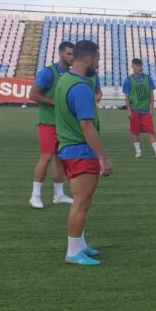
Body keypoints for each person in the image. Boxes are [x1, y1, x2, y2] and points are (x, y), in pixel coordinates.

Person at [54, 40, 113, 266]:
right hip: (80, 150)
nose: (97, 64)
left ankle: (80, 245)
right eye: (97, 59)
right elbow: (86, 125)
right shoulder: (80, 87)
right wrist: (102, 157)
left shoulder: (64, 80)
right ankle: (72, 251)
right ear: (88, 59)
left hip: (69, 148)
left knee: (84, 201)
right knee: (81, 201)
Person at [27, 41, 76, 209]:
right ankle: (35, 195)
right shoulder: (48, 72)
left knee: (61, 159)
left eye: (73, 54)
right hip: (48, 123)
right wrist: (55, 102)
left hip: (64, 124)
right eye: (69, 54)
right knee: (46, 157)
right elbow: (33, 94)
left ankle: (59, 194)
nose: (72, 57)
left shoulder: (71, 75)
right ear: (61, 53)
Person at [123, 58, 156, 159]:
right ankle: (138, 152)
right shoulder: (128, 80)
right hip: (135, 110)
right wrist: (128, 110)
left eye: (140, 66)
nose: (139, 68)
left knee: (151, 131)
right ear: (132, 66)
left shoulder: (148, 78)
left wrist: (152, 107)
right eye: (137, 66)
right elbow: (127, 96)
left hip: (146, 110)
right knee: (135, 132)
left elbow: (151, 93)